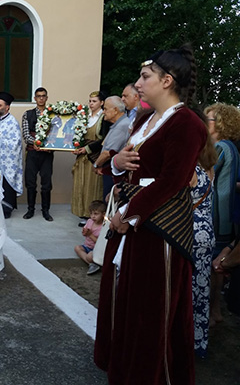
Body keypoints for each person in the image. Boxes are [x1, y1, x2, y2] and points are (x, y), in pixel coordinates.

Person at [94, 45, 207, 385]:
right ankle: (124, 367)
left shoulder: (187, 123)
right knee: (127, 299)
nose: (138, 84)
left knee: (150, 308)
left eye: (145, 77)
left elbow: (172, 182)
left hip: (160, 229)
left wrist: (128, 215)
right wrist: (117, 163)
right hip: (135, 222)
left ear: (167, 81)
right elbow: (125, 165)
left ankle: (149, 375)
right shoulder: (143, 120)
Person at [203, 103, 240, 326]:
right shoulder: (230, 147)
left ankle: (212, 311)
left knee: (214, 265)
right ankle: (214, 311)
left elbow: (201, 174)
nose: (204, 123)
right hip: (225, 214)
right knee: (217, 264)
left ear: (220, 124)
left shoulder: (221, 148)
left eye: (208, 119)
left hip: (217, 214)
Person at [190, 116, 217, 358]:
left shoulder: (191, 167)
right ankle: (199, 342)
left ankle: (183, 341)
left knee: (187, 290)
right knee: (201, 290)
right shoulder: (209, 163)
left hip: (190, 232)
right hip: (206, 232)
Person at [71, 91, 107, 226]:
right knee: (81, 184)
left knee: (92, 185)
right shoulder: (84, 117)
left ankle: (93, 215)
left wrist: (87, 148)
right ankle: (82, 212)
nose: (91, 104)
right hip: (82, 156)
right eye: (90, 101)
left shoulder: (103, 118)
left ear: (101, 103)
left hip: (94, 156)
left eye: (94, 101)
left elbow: (104, 140)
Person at [21, 87, 55, 221]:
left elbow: (56, 133)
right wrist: (36, 143)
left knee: (46, 183)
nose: (41, 98)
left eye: (43, 96)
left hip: (47, 154)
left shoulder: (53, 114)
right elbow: (25, 134)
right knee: (30, 182)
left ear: (47, 98)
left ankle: (46, 211)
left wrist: (47, 145)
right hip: (32, 152)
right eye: (38, 96)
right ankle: (30, 210)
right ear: (34, 98)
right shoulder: (27, 114)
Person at [92, 96, 131, 199]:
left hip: (113, 171)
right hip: (110, 168)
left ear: (115, 110)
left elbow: (108, 153)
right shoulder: (119, 124)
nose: (103, 112)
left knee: (109, 199)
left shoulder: (122, 126)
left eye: (105, 109)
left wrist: (96, 165)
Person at [73, 200, 106, 275]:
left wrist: (90, 234)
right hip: (87, 246)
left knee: (89, 256)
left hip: (96, 249)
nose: (93, 216)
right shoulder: (90, 221)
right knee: (77, 248)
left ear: (103, 214)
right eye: (91, 213)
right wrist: (84, 232)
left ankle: (93, 263)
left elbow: (100, 242)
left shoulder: (103, 226)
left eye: (96, 214)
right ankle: (92, 264)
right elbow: (85, 233)